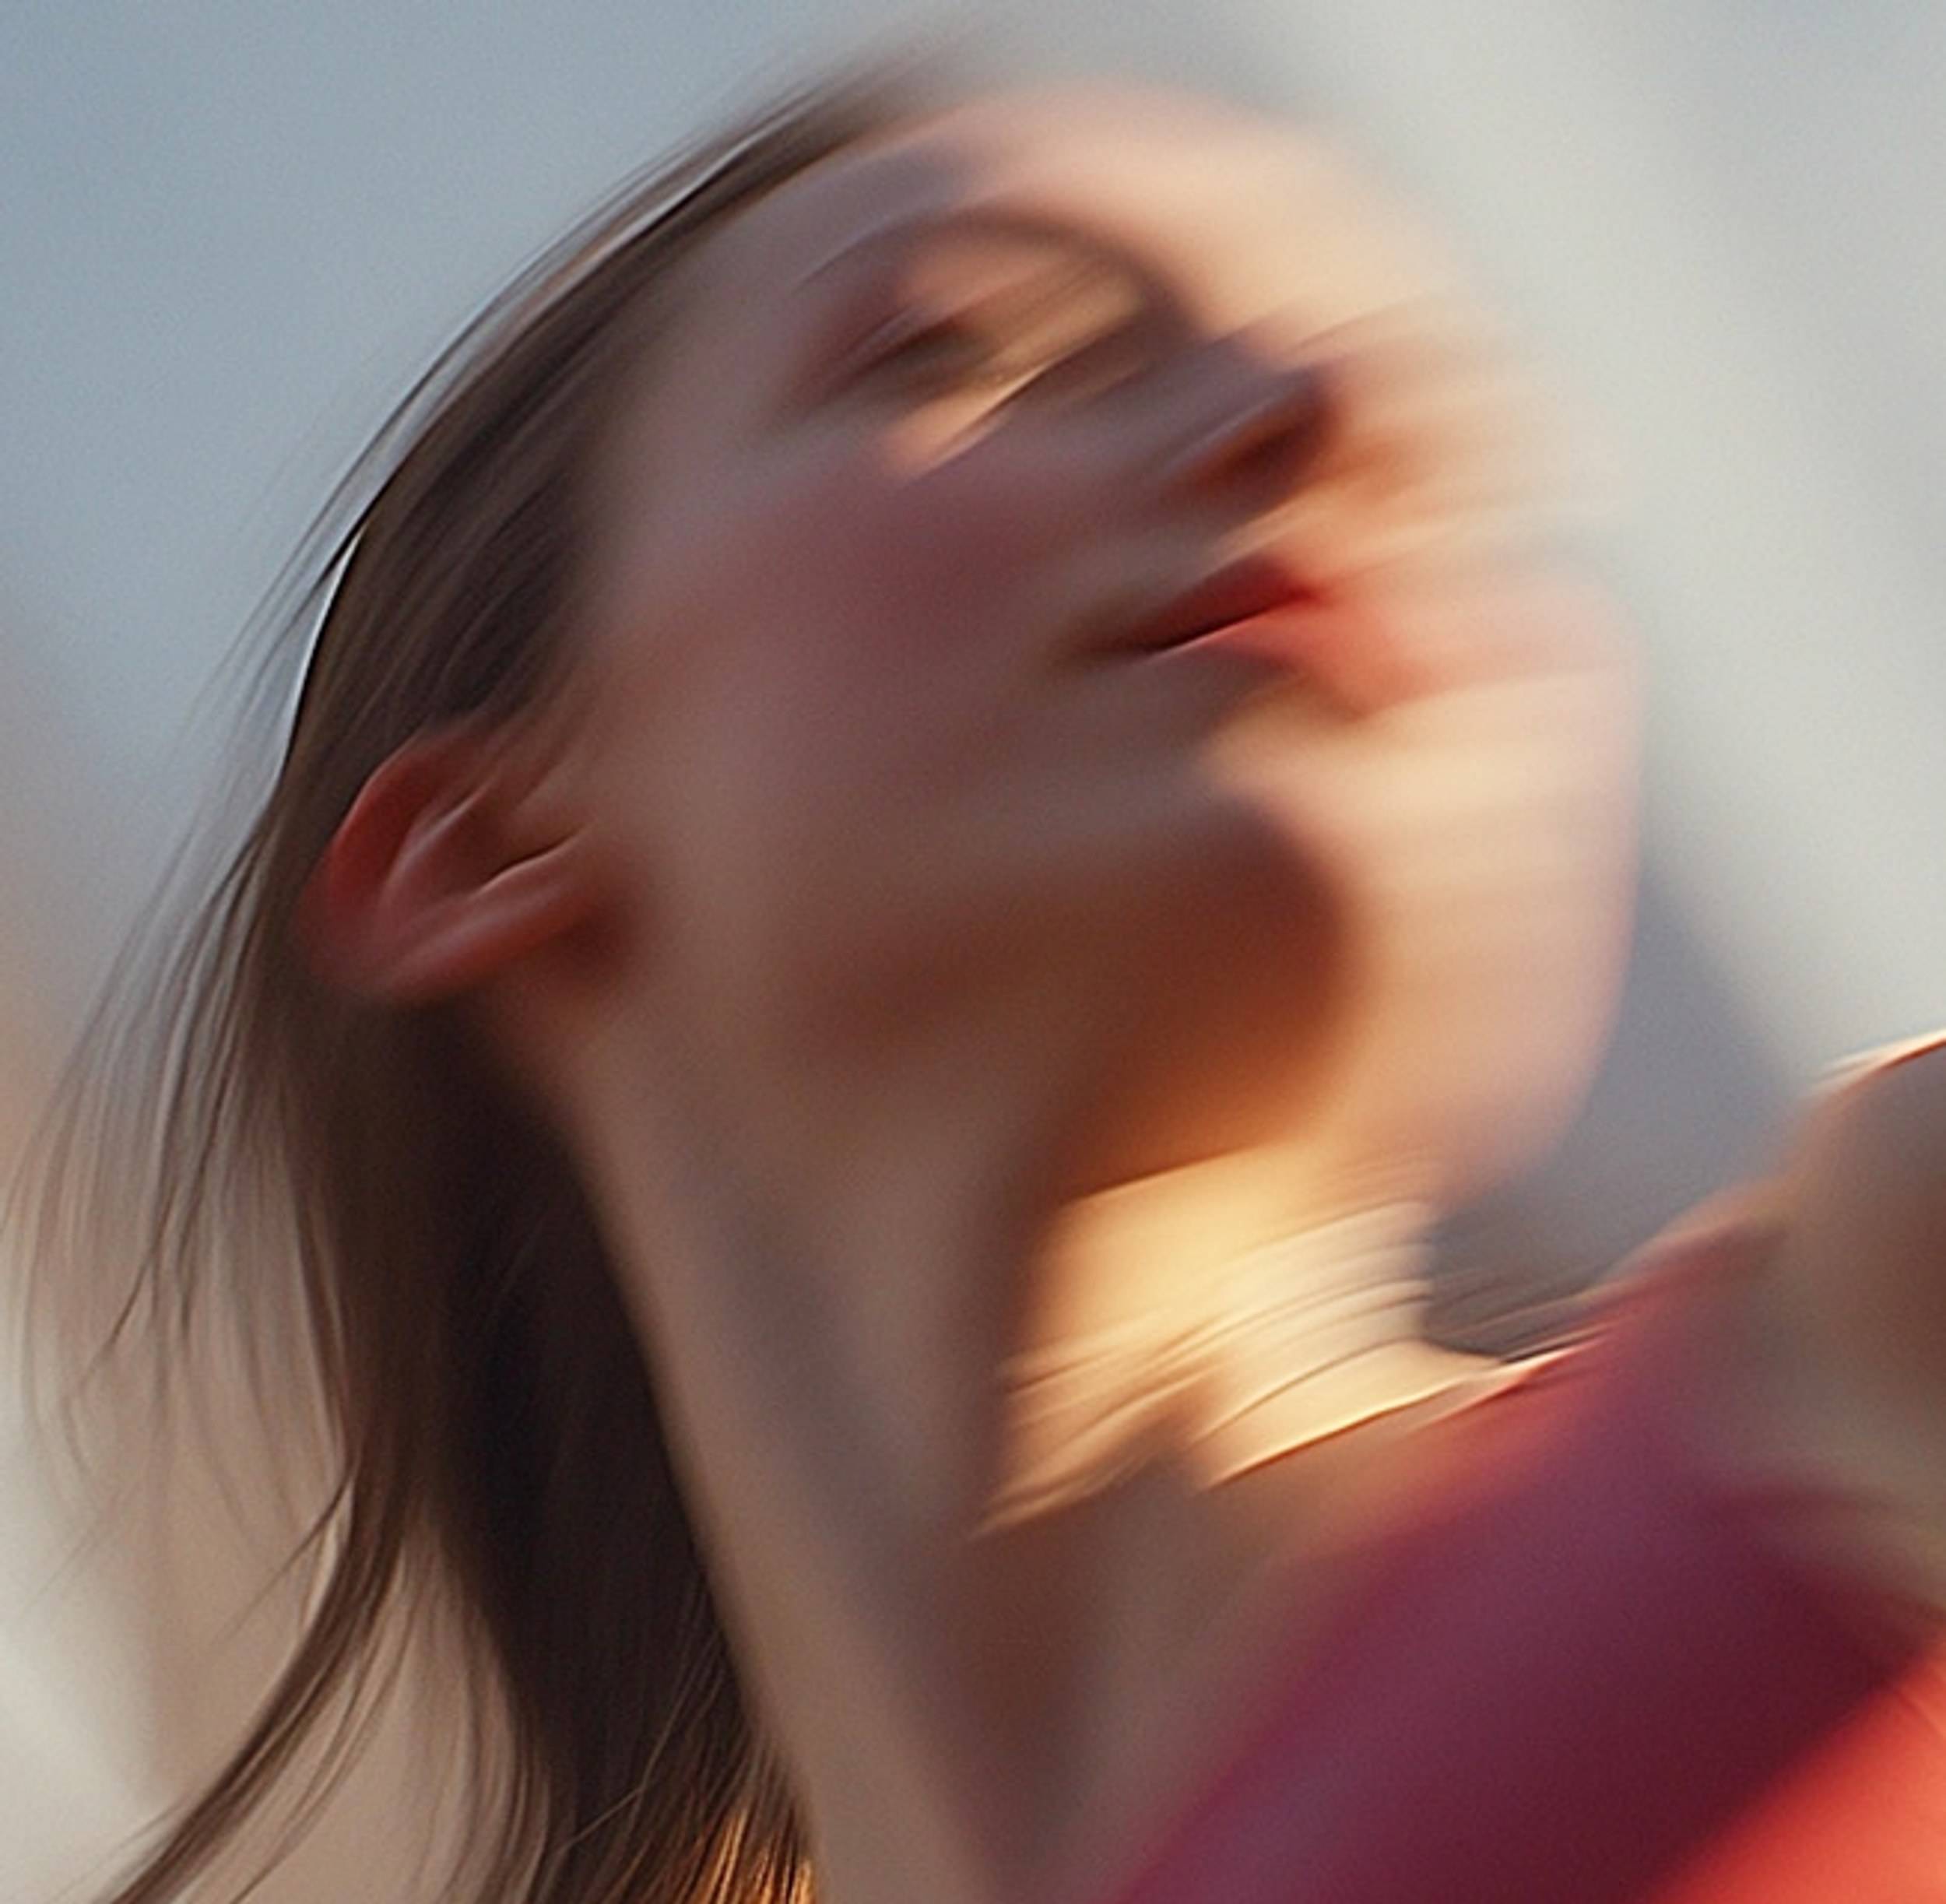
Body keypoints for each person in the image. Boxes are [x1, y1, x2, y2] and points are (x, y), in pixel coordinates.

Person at [32, 59, 1946, 1904]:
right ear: (481, 844)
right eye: (965, 347)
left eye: (1452, 455)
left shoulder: (1883, 1349)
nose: (1308, 410)